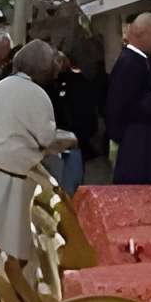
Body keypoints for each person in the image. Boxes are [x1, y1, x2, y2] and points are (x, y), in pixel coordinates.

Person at [0, 39, 75, 266]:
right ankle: (19, 282)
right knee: (18, 234)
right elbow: (46, 137)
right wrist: (70, 138)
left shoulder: (0, 87)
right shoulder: (37, 94)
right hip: (15, 171)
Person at [105, 11, 151, 184]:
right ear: (141, 34)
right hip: (139, 148)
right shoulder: (129, 63)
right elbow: (118, 107)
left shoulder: (143, 60)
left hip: (147, 145)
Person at [47, 48, 98, 194]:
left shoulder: (73, 84)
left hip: (70, 142)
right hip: (67, 142)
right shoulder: (54, 85)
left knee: (68, 191)